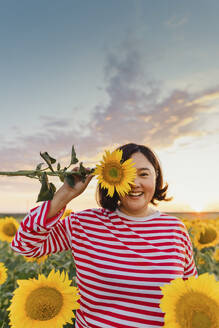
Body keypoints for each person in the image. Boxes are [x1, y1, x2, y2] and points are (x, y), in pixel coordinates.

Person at [11, 143, 197, 328]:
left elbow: (191, 295)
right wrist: (65, 194)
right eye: (126, 174)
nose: (134, 183)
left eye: (143, 174)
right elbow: (25, 246)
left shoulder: (175, 229)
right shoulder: (84, 224)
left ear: (156, 178)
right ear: (111, 179)